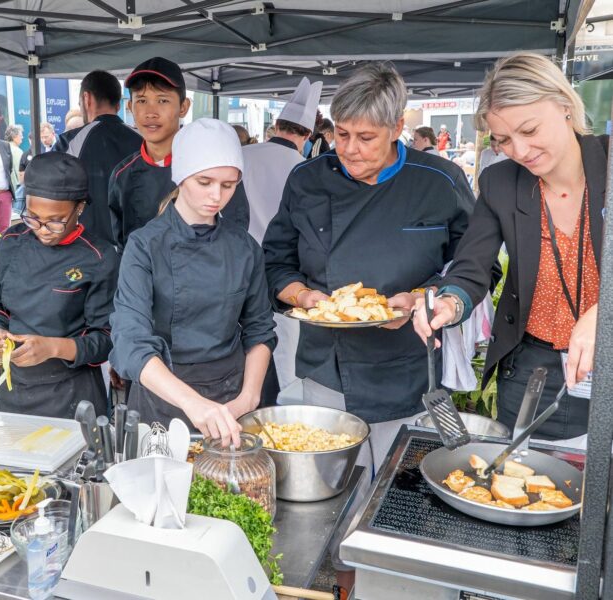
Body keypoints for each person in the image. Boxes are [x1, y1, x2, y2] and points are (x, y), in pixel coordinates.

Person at [262, 62, 475, 471]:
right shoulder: (306, 180)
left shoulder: (439, 181)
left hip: (408, 367)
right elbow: (275, 261)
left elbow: (473, 268)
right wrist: (304, 297)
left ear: (397, 128)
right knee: (333, 484)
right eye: (341, 134)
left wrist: (419, 299)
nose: (349, 149)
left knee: (399, 487)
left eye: (365, 137)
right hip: (328, 369)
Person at [412, 53, 604, 443]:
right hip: (533, 371)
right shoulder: (501, 183)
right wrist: (449, 303)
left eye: (529, 130)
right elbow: (472, 268)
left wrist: (604, 315)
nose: (519, 150)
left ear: (565, 105)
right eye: (503, 140)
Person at [111, 119, 276, 446]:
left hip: (229, 398)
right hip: (161, 400)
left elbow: (259, 329)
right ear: (182, 175)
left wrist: (248, 398)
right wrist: (192, 403)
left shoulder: (244, 248)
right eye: (205, 182)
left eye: (228, 185)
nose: (216, 195)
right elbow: (130, 341)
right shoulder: (145, 245)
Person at [0, 152, 119, 418]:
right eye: (32, 217)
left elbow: (107, 338)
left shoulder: (99, 257)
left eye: (55, 221)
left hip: (72, 395)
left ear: (79, 208)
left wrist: (53, 348)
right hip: (14, 389)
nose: (42, 229)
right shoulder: (10, 243)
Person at [109, 56, 249, 250]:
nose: (151, 112)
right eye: (141, 100)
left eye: (163, 100)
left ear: (183, 107)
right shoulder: (121, 175)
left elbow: (236, 234)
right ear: (130, 107)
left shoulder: (213, 167)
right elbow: (120, 244)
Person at [242, 77, 322, 397]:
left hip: (241, 273)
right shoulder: (306, 169)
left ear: (276, 125)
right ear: (307, 135)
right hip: (285, 279)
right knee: (286, 359)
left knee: (246, 356)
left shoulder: (242, 156)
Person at [53, 70, 143, 246]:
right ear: (118, 105)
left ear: (87, 99)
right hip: (135, 250)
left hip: (86, 249)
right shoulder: (144, 141)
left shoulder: (69, 142)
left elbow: (52, 196)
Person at [4, 124, 25, 213]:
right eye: (20, 135)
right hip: (16, 191)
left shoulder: (3, 148)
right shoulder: (18, 151)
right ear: (14, 136)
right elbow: (19, 172)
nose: (22, 137)